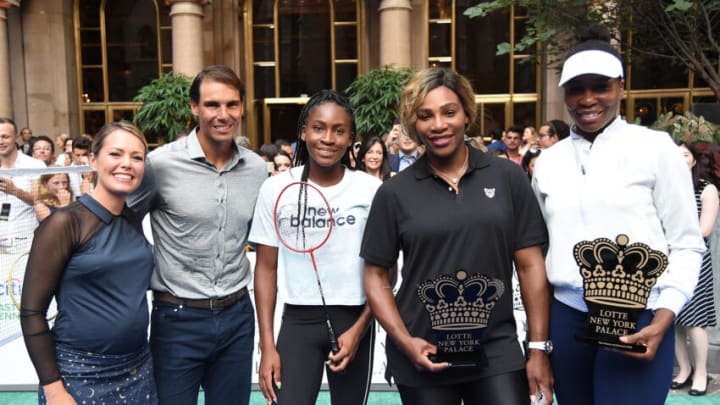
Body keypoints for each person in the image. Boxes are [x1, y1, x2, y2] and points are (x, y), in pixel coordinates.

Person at [531, 25, 706, 405]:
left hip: (641, 315)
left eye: (601, 86)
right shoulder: (548, 162)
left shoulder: (657, 149)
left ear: (622, 87)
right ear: (564, 94)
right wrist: (539, 342)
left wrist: (665, 315)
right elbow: (540, 250)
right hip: (568, 316)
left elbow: (688, 244)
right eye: (577, 88)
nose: (588, 98)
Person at [361, 67, 553, 405]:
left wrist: (538, 348)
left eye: (449, 111)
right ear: (413, 124)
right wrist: (406, 342)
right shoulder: (394, 192)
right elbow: (376, 276)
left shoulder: (508, 178)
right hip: (423, 351)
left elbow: (530, 267)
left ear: (466, 113)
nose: (438, 125)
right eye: (425, 116)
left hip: (496, 351)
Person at [127, 65, 267, 405]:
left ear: (242, 108)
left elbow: (263, 247)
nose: (223, 114)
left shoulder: (257, 169)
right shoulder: (159, 165)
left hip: (237, 316)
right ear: (194, 107)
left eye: (232, 105)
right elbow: (124, 224)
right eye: (212, 105)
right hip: (177, 319)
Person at [251, 90, 380, 405]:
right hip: (298, 321)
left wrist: (360, 328)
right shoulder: (275, 189)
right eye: (319, 128)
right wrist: (267, 345)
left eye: (339, 131)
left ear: (351, 138)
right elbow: (265, 268)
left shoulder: (372, 190)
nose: (328, 138)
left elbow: (384, 272)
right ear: (304, 132)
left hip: (355, 321)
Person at [20, 120, 157, 404]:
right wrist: (54, 388)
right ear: (93, 160)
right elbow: (32, 312)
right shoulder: (64, 223)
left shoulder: (133, 219)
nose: (127, 164)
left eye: (137, 157)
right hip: (77, 375)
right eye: (116, 154)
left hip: (138, 369)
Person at [671, 141, 718, 397]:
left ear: (694, 159)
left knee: (695, 320)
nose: (679, 158)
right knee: (672, 318)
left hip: (695, 261)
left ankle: (701, 372)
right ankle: (684, 369)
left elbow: (705, 229)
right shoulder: (670, 188)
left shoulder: (706, 189)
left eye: (684, 154)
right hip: (670, 260)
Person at [0, 118, 46, 255]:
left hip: (27, 241)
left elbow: (40, 200)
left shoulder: (35, 166)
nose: (0, 142)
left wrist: (14, 191)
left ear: (16, 137)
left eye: (5, 137)